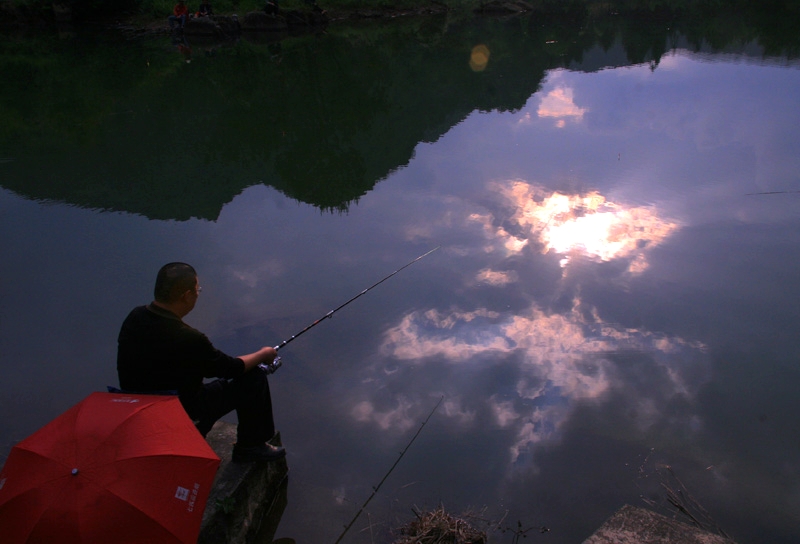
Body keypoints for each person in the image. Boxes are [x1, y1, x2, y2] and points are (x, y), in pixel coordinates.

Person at [117, 262, 285, 463]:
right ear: (186, 296)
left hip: (141, 409)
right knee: (253, 376)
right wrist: (263, 354)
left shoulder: (134, 317)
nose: (198, 294)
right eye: (197, 290)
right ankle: (250, 447)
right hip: (182, 413)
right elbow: (231, 368)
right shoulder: (189, 338)